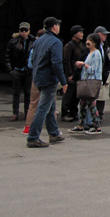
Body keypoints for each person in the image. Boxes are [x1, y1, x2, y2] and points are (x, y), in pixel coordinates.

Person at [27, 17, 68, 148]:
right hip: (49, 78)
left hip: (38, 77)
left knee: (50, 107)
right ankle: (33, 137)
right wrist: (63, 81)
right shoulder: (56, 42)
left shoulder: (39, 41)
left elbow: (33, 59)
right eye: (58, 25)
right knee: (43, 108)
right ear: (54, 27)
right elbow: (56, 63)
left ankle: (54, 133)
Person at [69, 33, 103, 135]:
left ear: (95, 43)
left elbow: (94, 70)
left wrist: (84, 65)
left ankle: (96, 126)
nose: (87, 42)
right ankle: (81, 124)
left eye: (90, 41)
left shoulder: (96, 54)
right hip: (86, 81)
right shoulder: (90, 53)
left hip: (92, 81)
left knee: (91, 104)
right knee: (83, 103)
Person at [5, 22, 35, 122]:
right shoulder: (13, 42)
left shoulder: (33, 41)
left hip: (28, 70)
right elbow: (7, 56)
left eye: (25, 30)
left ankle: (27, 113)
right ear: (19, 31)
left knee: (28, 92)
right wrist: (10, 70)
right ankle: (15, 113)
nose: (23, 32)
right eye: (21, 30)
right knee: (16, 92)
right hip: (17, 69)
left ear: (29, 31)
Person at [22, 28, 45, 135]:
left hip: (35, 76)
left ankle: (27, 126)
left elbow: (30, 64)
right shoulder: (49, 47)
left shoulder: (33, 47)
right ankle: (53, 129)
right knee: (50, 104)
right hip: (46, 78)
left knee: (33, 102)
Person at [61, 25, 85, 122]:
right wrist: (69, 74)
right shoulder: (69, 46)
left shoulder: (81, 45)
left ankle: (73, 112)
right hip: (71, 72)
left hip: (78, 72)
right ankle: (65, 113)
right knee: (68, 94)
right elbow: (66, 61)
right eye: (80, 32)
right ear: (74, 34)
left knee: (76, 94)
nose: (82, 34)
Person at [94, 26, 110, 122]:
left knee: (101, 98)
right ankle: (92, 116)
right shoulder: (92, 47)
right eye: (103, 34)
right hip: (93, 77)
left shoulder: (107, 49)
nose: (105, 36)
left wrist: (108, 79)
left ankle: (100, 115)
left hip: (103, 76)